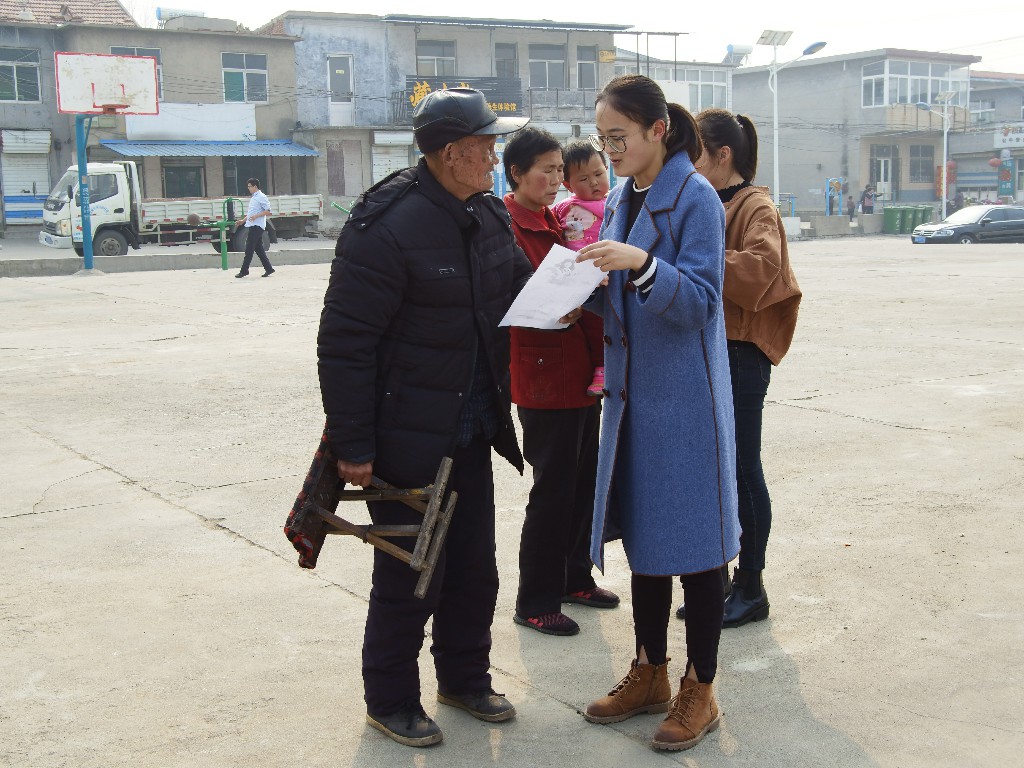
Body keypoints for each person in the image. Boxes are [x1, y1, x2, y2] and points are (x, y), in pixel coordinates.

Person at [317, 88, 532, 748]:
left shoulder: (486, 211)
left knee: (474, 568)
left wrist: (565, 294)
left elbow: (516, 283)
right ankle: (390, 700)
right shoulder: (386, 225)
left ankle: (464, 678)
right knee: (410, 574)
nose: (494, 157)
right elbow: (345, 342)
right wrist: (354, 443)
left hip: (473, 425)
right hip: (406, 435)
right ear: (450, 153)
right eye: (485, 147)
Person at [574, 74, 739, 753]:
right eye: (602, 139)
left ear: (657, 130)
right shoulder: (621, 195)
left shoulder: (695, 197)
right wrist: (577, 289)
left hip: (686, 401)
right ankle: (649, 670)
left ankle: (701, 686)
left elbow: (701, 301)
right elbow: (618, 292)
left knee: (696, 549)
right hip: (632, 397)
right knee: (646, 540)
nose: (610, 151)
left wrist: (640, 261)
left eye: (619, 137)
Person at [673, 108, 802, 629]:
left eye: (696, 154)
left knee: (743, 468)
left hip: (741, 353)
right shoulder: (707, 200)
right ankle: (718, 580)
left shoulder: (755, 206)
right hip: (708, 350)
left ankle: (752, 586)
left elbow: (759, 270)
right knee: (711, 470)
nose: (688, 165)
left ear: (723, 155)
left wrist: (690, 258)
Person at [502, 127, 619, 638]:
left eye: (557, 171)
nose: (554, 180)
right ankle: (536, 599)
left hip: (580, 369)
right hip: (543, 376)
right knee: (552, 489)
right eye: (546, 171)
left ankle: (575, 577)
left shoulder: (559, 219)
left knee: (584, 479)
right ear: (516, 173)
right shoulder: (505, 225)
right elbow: (506, 295)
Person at [553, 139, 611, 397]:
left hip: (607, 276)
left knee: (602, 323)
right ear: (568, 185)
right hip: (578, 279)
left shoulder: (616, 203)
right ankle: (599, 367)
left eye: (598, 174)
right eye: (584, 179)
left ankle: (603, 368)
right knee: (587, 324)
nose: (594, 182)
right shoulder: (563, 208)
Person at [234, 177, 275, 278]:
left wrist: (256, 216)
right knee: (258, 249)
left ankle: (244, 271)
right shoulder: (253, 197)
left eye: (250, 186)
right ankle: (269, 269)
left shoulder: (261, 196)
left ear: (255, 186)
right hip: (252, 225)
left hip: (257, 226)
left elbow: (268, 211)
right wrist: (242, 221)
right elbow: (251, 213)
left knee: (249, 249)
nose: (248, 188)